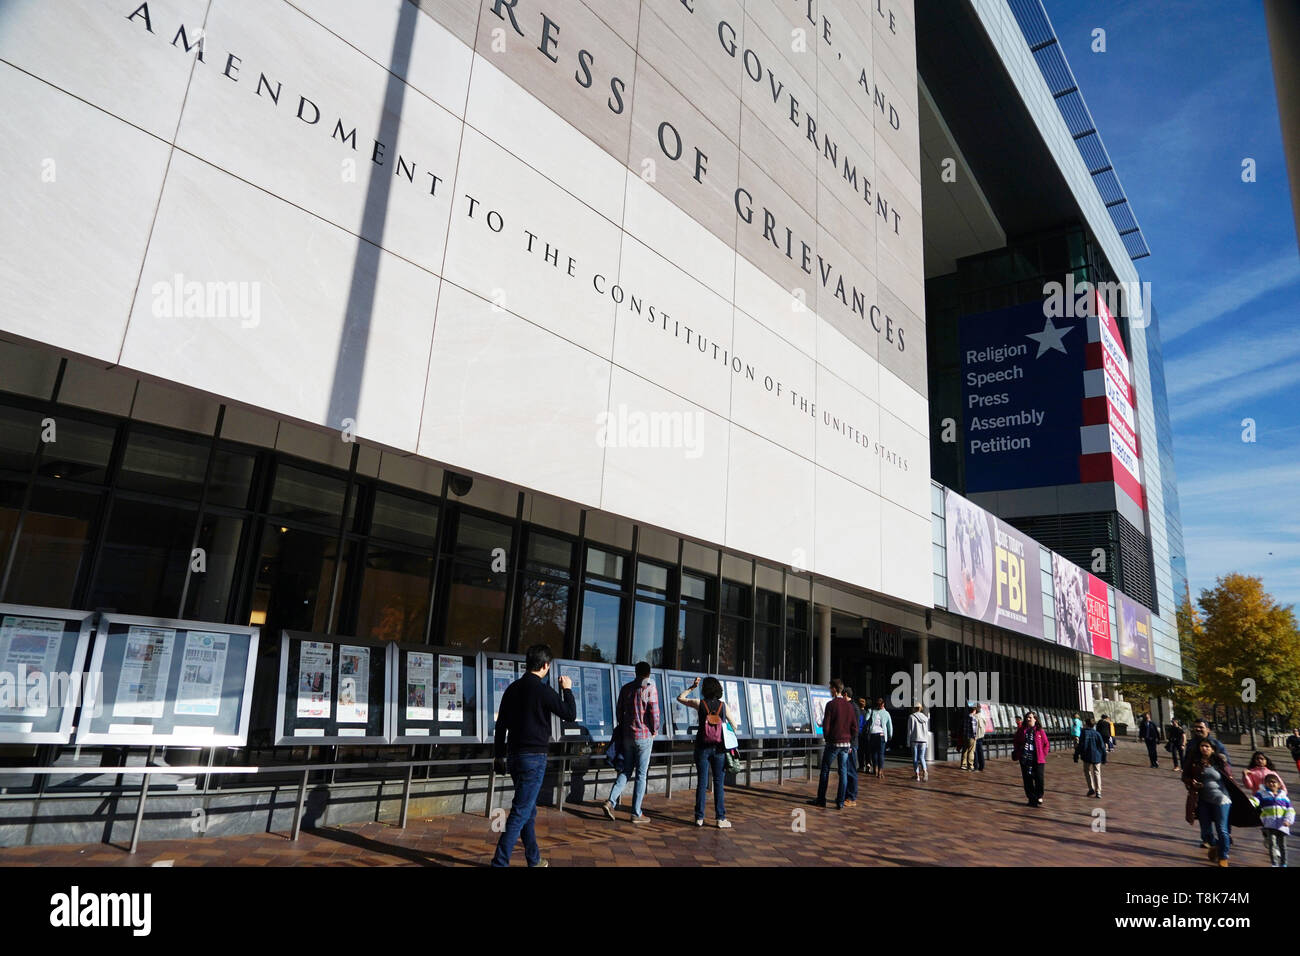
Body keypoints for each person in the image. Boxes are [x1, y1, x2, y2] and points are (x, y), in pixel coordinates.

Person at [491, 643, 576, 867]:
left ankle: (534, 859)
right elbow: (570, 714)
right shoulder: (543, 690)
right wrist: (567, 689)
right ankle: (499, 863)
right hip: (534, 758)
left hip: (514, 756)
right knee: (520, 812)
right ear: (546, 665)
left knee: (528, 809)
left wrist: (498, 756)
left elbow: (501, 726)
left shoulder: (512, 688)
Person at [676, 676, 736, 828]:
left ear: (704, 689)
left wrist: (692, 687)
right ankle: (720, 818)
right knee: (718, 783)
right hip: (719, 749)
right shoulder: (723, 706)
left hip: (702, 747)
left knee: (702, 783)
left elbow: (680, 698)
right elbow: (734, 725)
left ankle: (699, 817)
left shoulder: (699, 704)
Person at [603, 661, 659, 823]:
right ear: (648, 674)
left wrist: (625, 726)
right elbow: (654, 713)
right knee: (641, 775)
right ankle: (636, 813)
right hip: (644, 736)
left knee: (626, 770)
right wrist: (654, 730)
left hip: (627, 735)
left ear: (636, 672)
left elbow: (619, 711)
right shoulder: (649, 688)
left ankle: (610, 801)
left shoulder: (626, 688)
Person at [1184, 739, 1233, 866]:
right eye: (1202, 746)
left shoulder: (1219, 761)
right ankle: (1216, 845)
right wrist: (1192, 782)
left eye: (1207, 746)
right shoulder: (1195, 762)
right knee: (1206, 832)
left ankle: (1223, 856)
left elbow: (1229, 776)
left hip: (1221, 799)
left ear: (1212, 749)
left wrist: (1225, 763)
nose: (1204, 748)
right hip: (1203, 800)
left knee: (1222, 830)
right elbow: (1185, 776)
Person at [811, 679, 855, 809]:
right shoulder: (849, 706)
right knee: (843, 771)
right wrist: (850, 741)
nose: (830, 691)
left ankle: (821, 799)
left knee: (825, 770)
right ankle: (840, 802)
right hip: (846, 744)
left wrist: (828, 738)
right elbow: (855, 727)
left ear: (835, 689)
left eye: (830, 688)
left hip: (833, 743)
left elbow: (826, 725)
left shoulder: (831, 705)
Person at [1256, 773, 1295, 867]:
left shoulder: (1284, 797)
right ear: (1265, 784)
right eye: (1269, 782)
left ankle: (1284, 863)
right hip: (1270, 824)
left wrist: (1288, 820)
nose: (1271, 784)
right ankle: (1274, 864)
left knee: (1283, 846)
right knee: (1272, 845)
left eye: (1274, 782)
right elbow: (1254, 800)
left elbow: (1290, 810)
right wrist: (1249, 803)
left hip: (1283, 825)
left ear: (1279, 784)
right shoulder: (1262, 794)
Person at [1013, 711, 1049, 807]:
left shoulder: (1040, 730)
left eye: (1030, 717)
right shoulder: (1022, 730)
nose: (1028, 719)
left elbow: (1046, 744)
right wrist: (1019, 752)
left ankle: (1039, 796)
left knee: (1039, 778)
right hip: (1025, 758)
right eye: (1027, 717)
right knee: (1027, 779)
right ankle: (1031, 798)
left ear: (1035, 719)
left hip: (1038, 759)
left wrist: (1043, 754)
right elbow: (1016, 741)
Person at [1074, 716, 1106, 798]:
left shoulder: (1084, 733)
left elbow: (1080, 745)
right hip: (1097, 756)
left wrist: (1076, 755)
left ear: (1086, 724)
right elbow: (1102, 746)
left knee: (1087, 771)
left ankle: (1091, 788)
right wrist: (1104, 757)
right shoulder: (1097, 734)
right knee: (1097, 772)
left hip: (1087, 755)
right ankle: (1098, 791)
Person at [866, 697, 893, 779]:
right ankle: (880, 771)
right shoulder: (886, 713)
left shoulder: (872, 711)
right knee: (881, 754)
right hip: (881, 734)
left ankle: (875, 769)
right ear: (883, 704)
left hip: (873, 733)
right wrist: (890, 735)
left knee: (874, 753)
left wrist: (869, 711)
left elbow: (866, 719)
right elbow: (889, 726)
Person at [842, 685, 861, 807]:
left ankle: (851, 797)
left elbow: (854, 728)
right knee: (847, 769)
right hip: (850, 742)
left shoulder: (852, 708)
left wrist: (850, 743)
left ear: (845, 695)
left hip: (851, 744)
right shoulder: (853, 707)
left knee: (851, 770)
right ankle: (847, 795)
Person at [908, 701, 930, 781]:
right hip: (923, 740)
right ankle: (925, 771)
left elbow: (909, 730)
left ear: (914, 708)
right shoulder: (925, 718)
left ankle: (917, 775)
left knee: (915, 758)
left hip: (914, 740)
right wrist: (927, 742)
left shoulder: (911, 717)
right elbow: (926, 730)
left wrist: (908, 741)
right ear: (920, 708)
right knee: (922, 757)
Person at [960, 704, 978, 772]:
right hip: (971, 737)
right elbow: (974, 729)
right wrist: (975, 736)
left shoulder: (966, 717)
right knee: (971, 751)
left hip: (965, 736)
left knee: (964, 750)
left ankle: (963, 765)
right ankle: (970, 765)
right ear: (974, 710)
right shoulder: (973, 718)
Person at [857, 698, 870, 772]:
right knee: (867, 750)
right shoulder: (867, 713)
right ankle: (868, 763)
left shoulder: (857, 712)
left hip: (859, 733)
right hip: (866, 734)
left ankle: (861, 766)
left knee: (860, 751)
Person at [973, 704, 987, 772]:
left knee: (975, 752)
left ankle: (975, 766)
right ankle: (982, 766)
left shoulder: (975, 717)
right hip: (981, 735)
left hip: (976, 736)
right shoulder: (983, 716)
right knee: (980, 751)